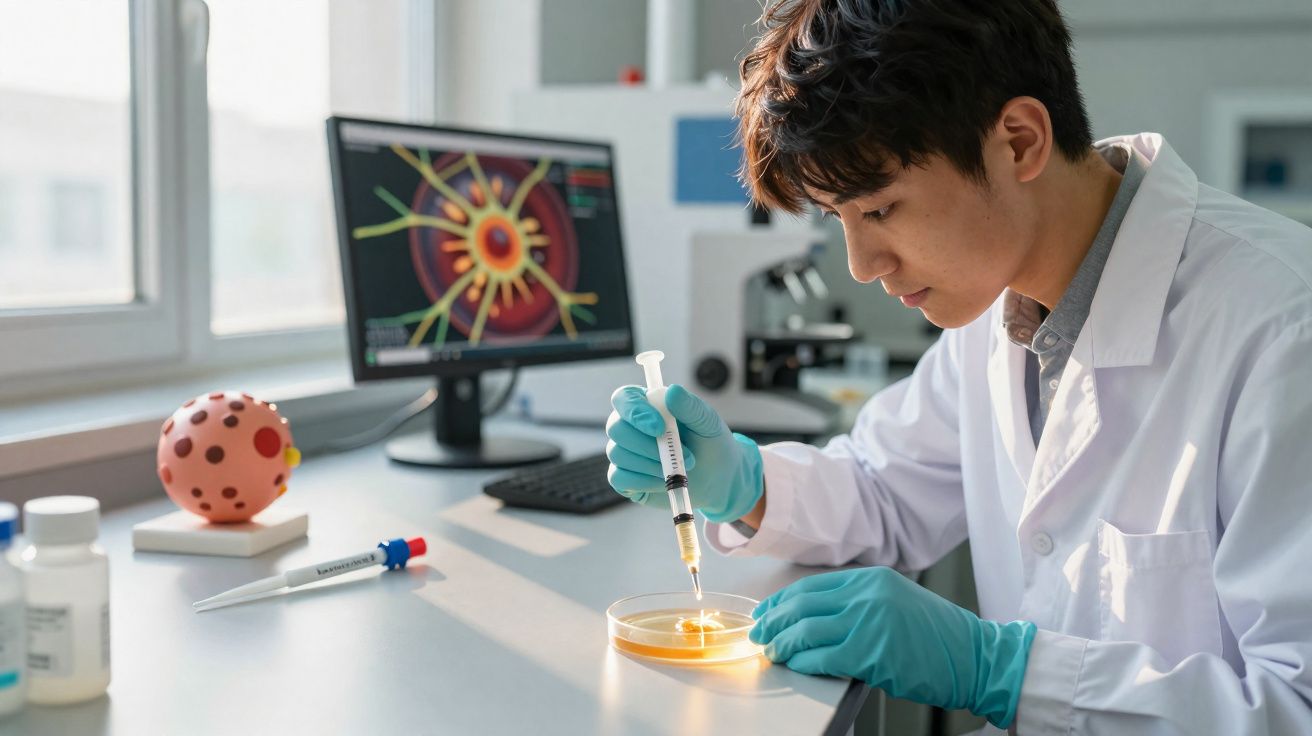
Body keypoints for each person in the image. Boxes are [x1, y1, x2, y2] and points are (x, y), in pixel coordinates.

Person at [605, 0, 1312, 733]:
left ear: (1018, 141)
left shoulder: (1283, 331)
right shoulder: (1004, 308)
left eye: (879, 210)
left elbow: (1297, 706)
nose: (862, 264)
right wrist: (744, 485)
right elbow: (886, 489)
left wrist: (1001, 671)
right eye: (837, 220)